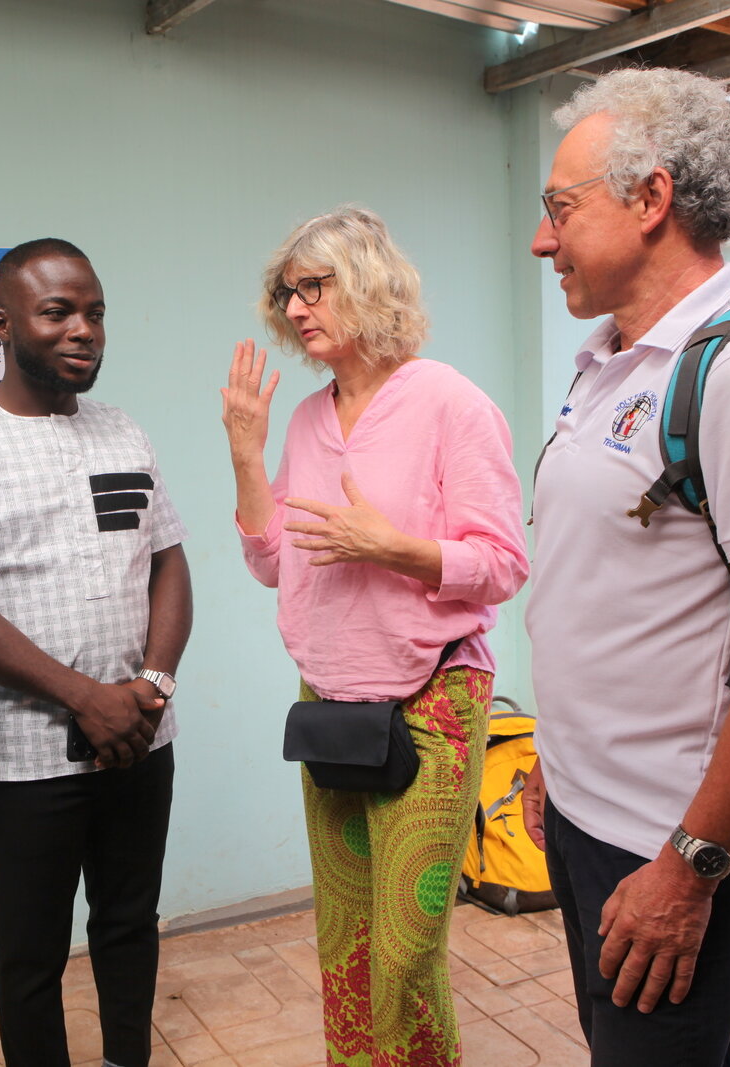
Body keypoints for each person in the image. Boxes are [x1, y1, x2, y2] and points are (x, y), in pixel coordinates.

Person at [522, 69, 730, 1066]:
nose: (543, 239)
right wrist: (560, 756)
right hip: (588, 808)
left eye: (560, 209)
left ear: (652, 199)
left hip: (669, 838)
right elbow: (609, 587)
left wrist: (690, 866)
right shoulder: (611, 364)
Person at [222, 206, 528, 1065]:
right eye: (286, 294)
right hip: (330, 704)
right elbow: (273, 560)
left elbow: (503, 561)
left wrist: (392, 547)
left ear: (367, 280)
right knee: (346, 943)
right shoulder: (311, 419)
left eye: (311, 286)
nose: (295, 308)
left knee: (404, 949)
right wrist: (247, 450)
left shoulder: (450, 403)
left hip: (434, 700)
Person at [0, 238, 192, 1067]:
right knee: (31, 949)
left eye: (94, 311)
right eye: (58, 311)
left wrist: (150, 686)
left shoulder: (122, 430)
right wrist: (84, 697)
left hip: (143, 732)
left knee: (131, 922)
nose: (84, 329)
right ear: (2, 323)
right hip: (25, 756)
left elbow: (168, 562)